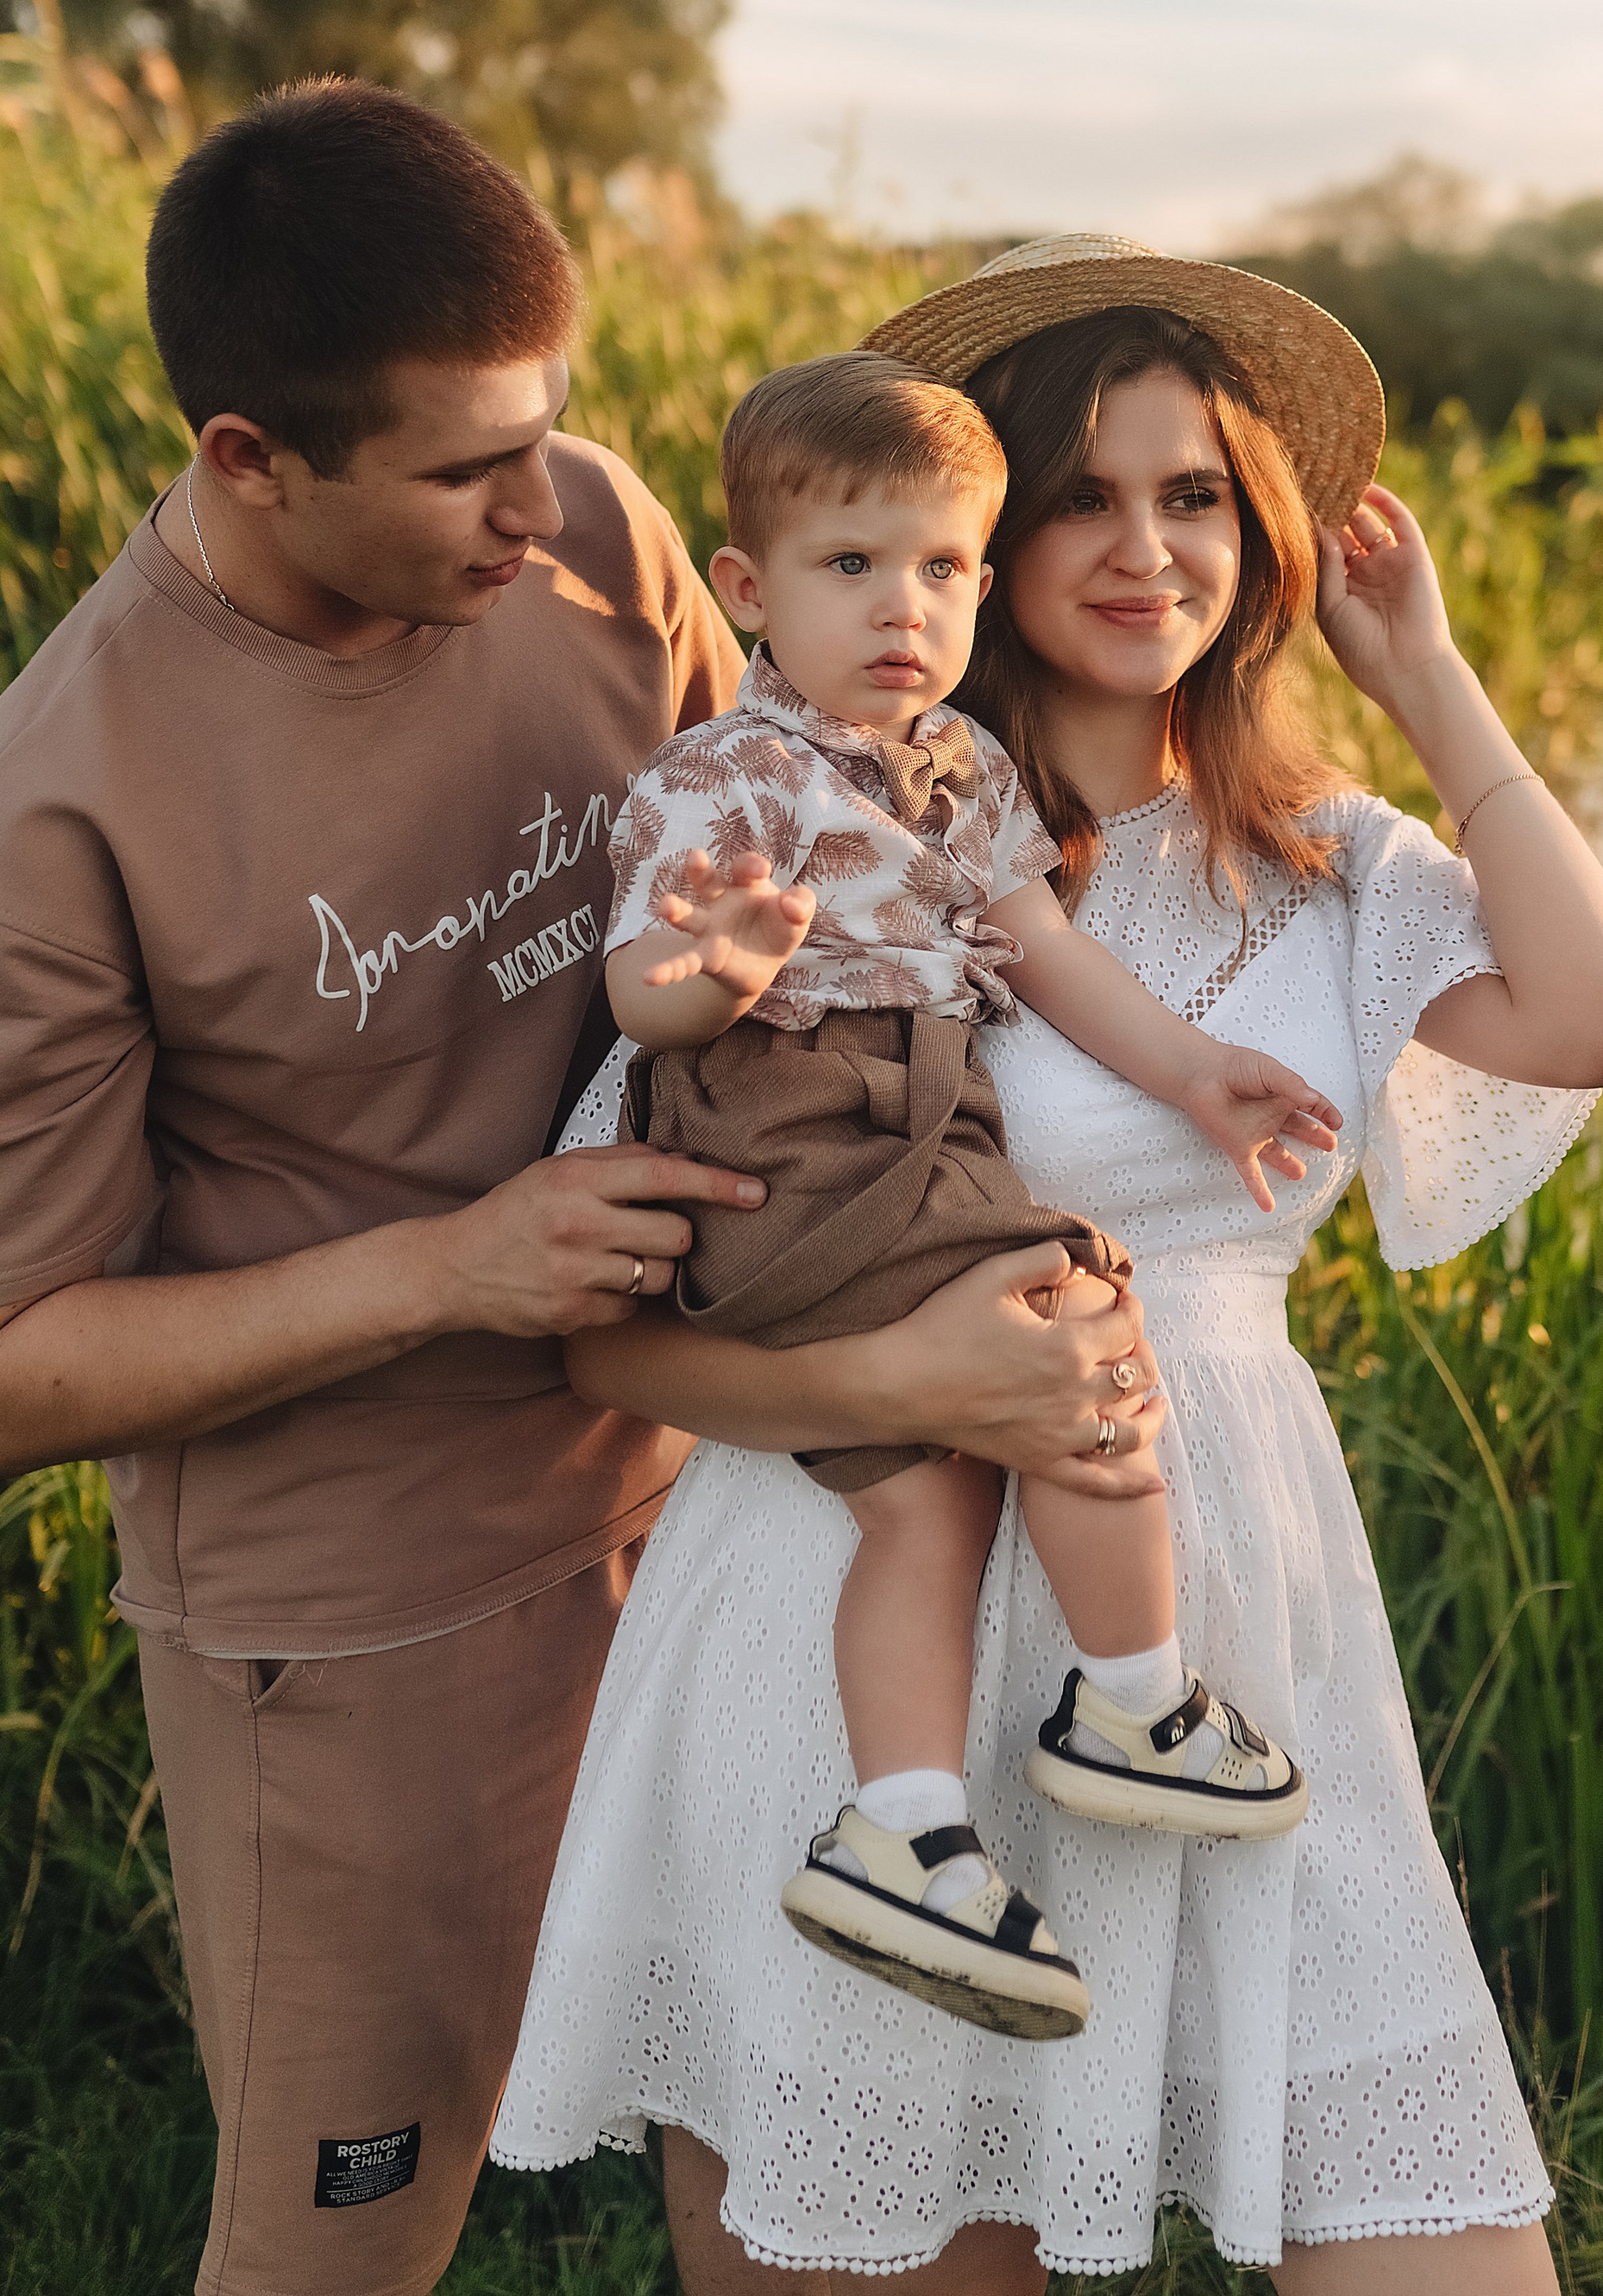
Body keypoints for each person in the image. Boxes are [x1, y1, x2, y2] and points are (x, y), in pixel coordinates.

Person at [0, 108, 1167, 2296]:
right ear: (250, 455)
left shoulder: (610, 531)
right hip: (369, 1618)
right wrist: (456, 1263)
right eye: (460, 474)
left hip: (727, 1491)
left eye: (551, 433)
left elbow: (849, 896)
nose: (546, 513)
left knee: (783, 2151)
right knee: (353, 2217)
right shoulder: (65, 799)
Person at [493, 233, 1603, 2296]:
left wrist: (1429, 683)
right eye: (1083, 498)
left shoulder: (1333, 867)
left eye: (1197, 494)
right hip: (863, 1636)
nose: (1147, 550)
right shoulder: (840, 841)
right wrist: (908, 1390)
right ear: (973, 531)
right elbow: (607, 1342)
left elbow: (1594, 1019)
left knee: (1446, 2247)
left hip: (1237, 1650)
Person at [607, 351, 1326, 2037]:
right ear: (746, 589)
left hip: (904, 1135)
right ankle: (1133, 1704)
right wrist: (709, 969)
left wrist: (1194, 1068)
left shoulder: (964, 771)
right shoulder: (717, 778)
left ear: (979, 586)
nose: (899, 607)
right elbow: (643, 991)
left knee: (921, 1502)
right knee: (1075, 1326)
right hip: (797, 1131)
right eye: (849, 566)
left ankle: (904, 1826)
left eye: (937, 568)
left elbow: (1049, 955)